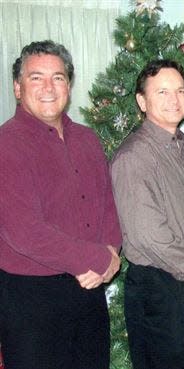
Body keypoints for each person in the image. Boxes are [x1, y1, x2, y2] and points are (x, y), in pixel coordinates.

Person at [0, 40, 121, 369]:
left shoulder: (87, 138)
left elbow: (107, 205)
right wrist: (98, 258)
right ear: (18, 87)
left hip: (88, 291)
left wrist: (111, 252)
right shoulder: (6, 144)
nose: (49, 87)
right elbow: (24, 232)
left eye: (58, 77)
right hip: (32, 301)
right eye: (36, 77)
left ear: (69, 84)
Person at [110, 59, 184, 369]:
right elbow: (147, 235)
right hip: (160, 290)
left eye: (180, 90)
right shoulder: (134, 156)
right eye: (162, 92)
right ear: (141, 101)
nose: (174, 99)